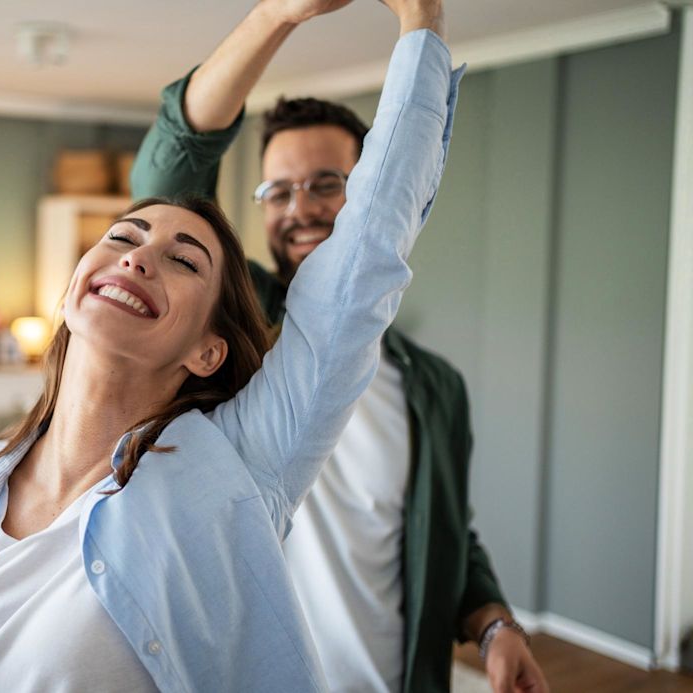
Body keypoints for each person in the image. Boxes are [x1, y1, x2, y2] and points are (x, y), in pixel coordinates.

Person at [0, 0, 456, 690]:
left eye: (184, 259)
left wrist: (420, 16)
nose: (138, 257)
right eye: (123, 236)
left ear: (207, 351)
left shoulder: (234, 468)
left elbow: (366, 250)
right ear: (75, 285)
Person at [130, 2, 549, 692]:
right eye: (278, 191)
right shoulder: (230, 334)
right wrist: (276, 14)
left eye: (328, 184)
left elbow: (447, 534)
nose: (299, 208)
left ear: (374, 184)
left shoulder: (437, 388)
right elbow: (167, 180)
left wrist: (495, 625)